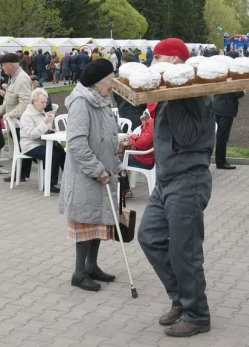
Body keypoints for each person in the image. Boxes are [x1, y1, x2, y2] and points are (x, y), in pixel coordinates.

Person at [137, 38, 214, 337]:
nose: (153, 62)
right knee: (149, 237)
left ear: (177, 62)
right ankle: (181, 298)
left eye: (159, 58)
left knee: (185, 252)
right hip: (166, 179)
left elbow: (186, 137)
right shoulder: (168, 93)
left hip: (188, 180)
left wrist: (176, 96)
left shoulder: (195, 95)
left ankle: (198, 315)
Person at [59, 59, 119, 293]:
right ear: (97, 83)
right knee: (85, 224)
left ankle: (92, 266)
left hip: (102, 173)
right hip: (87, 175)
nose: (112, 85)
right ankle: (79, 273)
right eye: (110, 80)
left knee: (97, 221)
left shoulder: (101, 100)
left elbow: (106, 135)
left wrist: (114, 163)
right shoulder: (81, 103)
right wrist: (97, 169)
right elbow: (76, 143)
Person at [0, 53, 33, 182]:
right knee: (21, 147)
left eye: (3, 66)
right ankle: (20, 174)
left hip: (20, 122)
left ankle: (19, 173)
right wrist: (0, 112)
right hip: (14, 121)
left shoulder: (21, 79)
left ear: (10, 65)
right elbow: (8, 99)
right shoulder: (14, 77)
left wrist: (10, 114)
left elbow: (25, 103)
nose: (2, 69)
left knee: (22, 148)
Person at [19, 88, 65, 192]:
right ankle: (49, 185)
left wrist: (51, 130)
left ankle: (67, 180)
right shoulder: (27, 115)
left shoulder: (42, 112)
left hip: (42, 142)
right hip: (30, 145)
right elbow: (31, 135)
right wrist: (44, 123)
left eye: (46, 102)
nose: (45, 105)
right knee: (53, 154)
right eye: (42, 102)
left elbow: (43, 130)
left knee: (62, 152)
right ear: (34, 101)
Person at [214, 51, 245, 170]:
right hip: (226, 107)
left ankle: (219, 160)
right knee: (223, 136)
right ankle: (221, 161)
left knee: (219, 135)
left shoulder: (221, 71)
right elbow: (235, 91)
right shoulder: (231, 73)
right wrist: (242, 92)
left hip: (218, 105)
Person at [120, 102, 156, 198]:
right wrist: (145, 124)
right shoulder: (153, 121)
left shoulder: (153, 122)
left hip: (144, 159)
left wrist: (132, 136)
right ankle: (124, 189)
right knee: (119, 157)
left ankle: (124, 189)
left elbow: (142, 143)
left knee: (117, 160)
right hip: (145, 157)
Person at [113, 53, 146, 130]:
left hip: (123, 108)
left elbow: (115, 93)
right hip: (138, 108)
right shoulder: (139, 74)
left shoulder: (118, 75)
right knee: (137, 133)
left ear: (122, 61)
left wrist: (119, 103)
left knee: (126, 133)